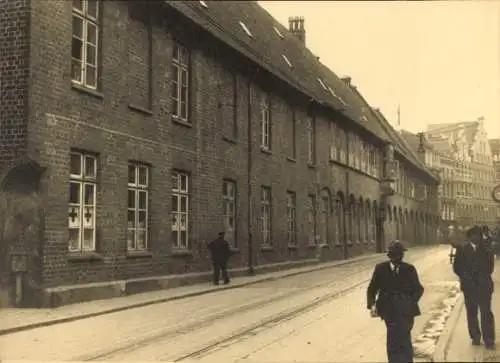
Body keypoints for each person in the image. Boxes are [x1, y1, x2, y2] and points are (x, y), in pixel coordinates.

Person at [367, 240, 424, 363]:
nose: (397, 258)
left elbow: (418, 289)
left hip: (406, 311)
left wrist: (410, 302)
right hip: (389, 311)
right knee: (392, 340)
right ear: (389, 255)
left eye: (400, 254)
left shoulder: (409, 269)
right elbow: (372, 288)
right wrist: (372, 305)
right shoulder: (381, 269)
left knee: (404, 338)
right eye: (394, 255)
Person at [453, 225, 496, 349]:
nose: (477, 237)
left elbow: (490, 268)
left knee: (486, 313)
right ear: (470, 236)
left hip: (484, 287)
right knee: (471, 313)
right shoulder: (462, 250)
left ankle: (489, 340)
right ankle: (475, 337)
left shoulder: (487, 250)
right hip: (469, 287)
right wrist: (466, 277)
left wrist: (480, 274)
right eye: (474, 235)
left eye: (479, 235)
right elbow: (457, 267)